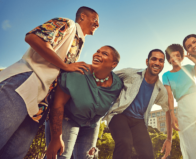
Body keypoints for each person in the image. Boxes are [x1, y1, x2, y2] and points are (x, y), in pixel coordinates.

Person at [0, 6, 99, 158]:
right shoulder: (68, 24)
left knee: (12, 154)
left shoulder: (79, 44)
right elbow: (33, 38)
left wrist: (56, 135)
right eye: (95, 19)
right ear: (83, 17)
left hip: (40, 106)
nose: (97, 24)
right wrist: (65, 66)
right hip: (24, 84)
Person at [45, 46, 123, 159]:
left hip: (92, 124)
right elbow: (57, 105)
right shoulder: (76, 73)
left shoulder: (117, 85)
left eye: (104, 54)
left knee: (87, 157)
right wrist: (56, 138)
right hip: (67, 118)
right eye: (97, 51)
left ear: (114, 64)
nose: (97, 54)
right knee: (61, 156)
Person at [103, 49, 175, 159]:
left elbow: (168, 109)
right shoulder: (130, 73)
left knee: (148, 155)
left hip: (139, 121)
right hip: (119, 115)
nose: (157, 63)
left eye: (161, 60)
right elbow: (106, 75)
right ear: (147, 61)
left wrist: (169, 139)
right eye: (154, 59)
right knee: (125, 143)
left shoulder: (160, 89)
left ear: (163, 64)